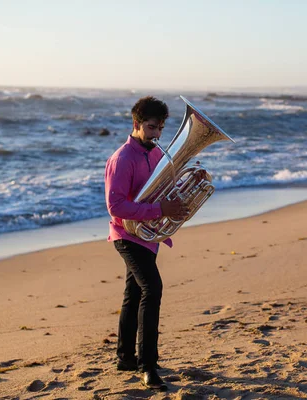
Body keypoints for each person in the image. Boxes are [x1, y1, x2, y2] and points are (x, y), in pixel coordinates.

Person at [104, 96, 189, 391]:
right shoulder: (122, 159)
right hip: (127, 236)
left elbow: (161, 189)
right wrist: (160, 211)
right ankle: (147, 365)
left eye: (161, 128)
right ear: (137, 124)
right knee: (152, 289)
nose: (157, 134)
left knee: (134, 292)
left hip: (147, 236)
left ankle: (126, 357)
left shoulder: (155, 154)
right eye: (152, 127)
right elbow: (116, 206)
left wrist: (179, 197)